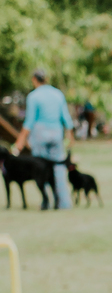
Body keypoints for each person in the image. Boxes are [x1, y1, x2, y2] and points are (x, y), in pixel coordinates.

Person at [13, 71, 73, 209]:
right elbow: (65, 117)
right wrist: (70, 135)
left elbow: (29, 122)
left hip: (40, 134)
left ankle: (46, 201)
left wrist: (20, 141)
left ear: (34, 79)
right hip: (56, 133)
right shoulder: (58, 94)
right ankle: (63, 202)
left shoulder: (33, 96)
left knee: (40, 168)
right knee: (58, 166)